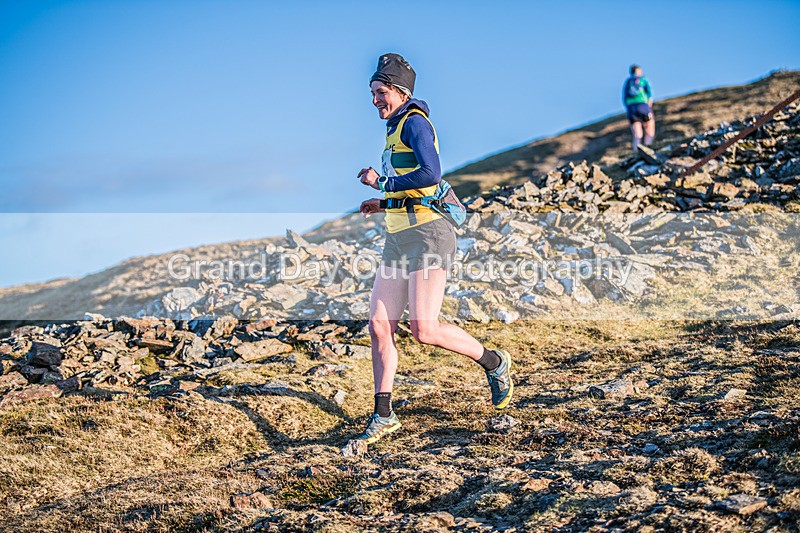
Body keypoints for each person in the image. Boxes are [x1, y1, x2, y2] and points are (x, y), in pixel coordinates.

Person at [354, 53, 514, 444]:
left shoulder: (415, 123)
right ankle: (383, 415)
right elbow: (415, 190)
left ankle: (494, 362)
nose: (375, 99)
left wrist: (381, 185)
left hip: (429, 235)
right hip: (398, 237)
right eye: (372, 92)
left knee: (424, 329)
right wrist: (384, 203)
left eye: (380, 92)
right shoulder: (393, 129)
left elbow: (432, 174)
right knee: (379, 325)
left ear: (400, 91)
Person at [622, 64, 655, 151]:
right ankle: (648, 147)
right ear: (639, 71)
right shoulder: (643, 80)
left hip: (631, 109)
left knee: (637, 134)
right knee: (649, 127)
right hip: (643, 106)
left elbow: (624, 98)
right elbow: (650, 94)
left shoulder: (628, 82)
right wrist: (649, 106)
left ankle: (637, 150)